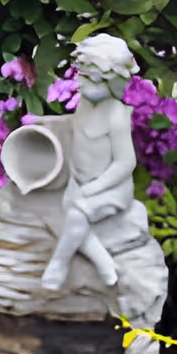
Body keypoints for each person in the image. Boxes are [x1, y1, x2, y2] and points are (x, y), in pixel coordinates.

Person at [40, 34, 139, 291]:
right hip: (78, 183)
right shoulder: (84, 105)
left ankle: (58, 264)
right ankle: (104, 261)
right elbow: (73, 128)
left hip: (110, 189)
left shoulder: (116, 114)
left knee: (75, 216)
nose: (81, 83)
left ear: (112, 82)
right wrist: (43, 124)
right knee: (63, 213)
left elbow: (126, 162)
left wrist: (93, 189)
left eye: (90, 78)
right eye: (80, 75)